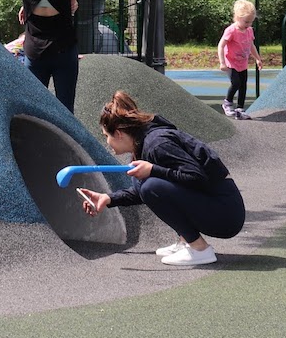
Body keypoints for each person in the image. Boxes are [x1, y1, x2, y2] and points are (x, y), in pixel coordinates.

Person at [77, 91, 246, 267]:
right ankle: (185, 241)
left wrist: (153, 170)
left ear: (118, 133)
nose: (107, 143)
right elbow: (149, 190)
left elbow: (196, 177)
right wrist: (109, 198)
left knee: (150, 185)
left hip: (226, 214)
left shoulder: (158, 144)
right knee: (145, 182)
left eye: (107, 136)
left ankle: (199, 249)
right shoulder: (142, 145)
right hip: (214, 205)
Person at [16, 0, 79, 111]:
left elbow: (38, 0)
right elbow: (71, 7)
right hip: (64, 47)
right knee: (66, 107)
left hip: (35, 48)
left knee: (33, 106)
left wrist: (26, 7)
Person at [218, 0, 261, 119]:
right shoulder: (231, 31)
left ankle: (240, 109)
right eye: (246, 21)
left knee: (243, 85)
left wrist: (257, 58)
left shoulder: (249, 31)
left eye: (251, 22)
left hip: (243, 63)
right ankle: (227, 103)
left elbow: (251, 45)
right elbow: (221, 45)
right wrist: (222, 62)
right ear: (237, 17)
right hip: (231, 63)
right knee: (236, 83)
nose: (248, 24)